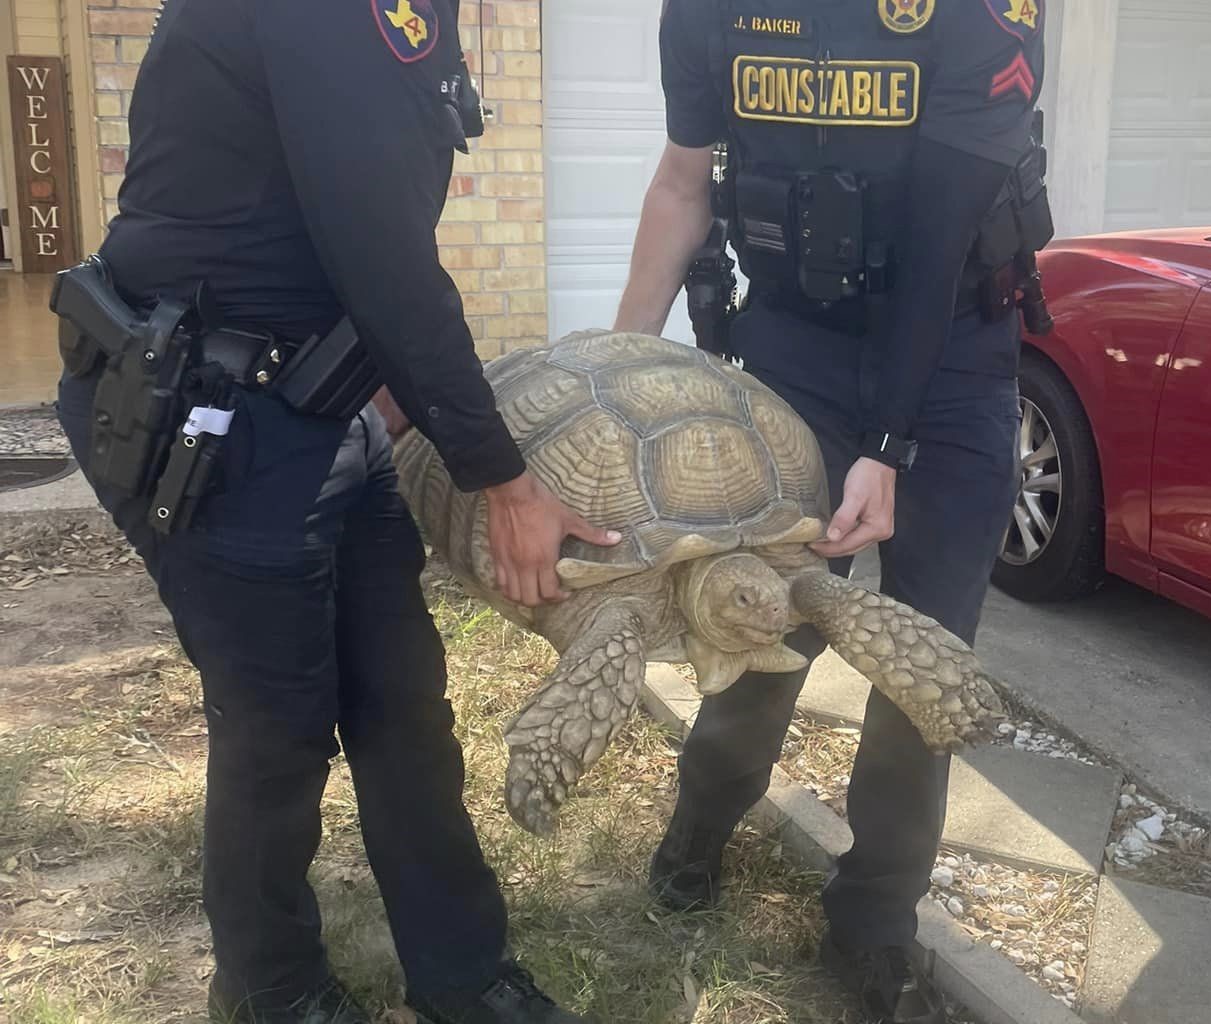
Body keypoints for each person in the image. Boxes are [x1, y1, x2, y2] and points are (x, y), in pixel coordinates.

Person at [49, 1, 616, 1021]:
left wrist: (385, 377)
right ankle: (273, 991)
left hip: (316, 399)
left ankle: (463, 976)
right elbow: (385, 253)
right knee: (278, 729)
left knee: (404, 704)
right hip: (208, 417)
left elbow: (348, 207)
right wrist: (505, 480)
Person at [613, 0, 1052, 1021]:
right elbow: (684, 183)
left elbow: (943, 240)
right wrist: (621, 365)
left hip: (949, 365)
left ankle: (873, 917)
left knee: (918, 661)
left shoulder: (977, 14)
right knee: (764, 623)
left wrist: (887, 446)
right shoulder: (709, 12)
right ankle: (702, 823)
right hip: (793, 357)